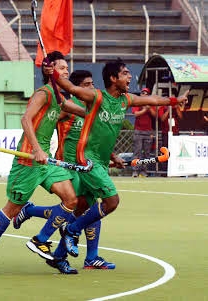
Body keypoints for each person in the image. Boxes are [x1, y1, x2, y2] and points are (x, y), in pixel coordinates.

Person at [46, 58, 188, 258]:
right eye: (125, 73)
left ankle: (59, 257)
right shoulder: (97, 97)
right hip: (87, 159)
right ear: (113, 78)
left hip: (101, 162)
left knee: (82, 207)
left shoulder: (125, 100)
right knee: (112, 201)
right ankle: (71, 230)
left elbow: (152, 100)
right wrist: (51, 72)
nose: (130, 77)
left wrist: (175, 100)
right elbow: (70, 87)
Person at [0, 51, 88, 275]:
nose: (67, 71)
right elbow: (26, 118)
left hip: (46, 163)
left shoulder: (59, 97)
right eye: (62, 68)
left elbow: (83, 111)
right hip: (28, 160)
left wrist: (102, 110)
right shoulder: (43, 93)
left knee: (71, 199)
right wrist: (36, 149)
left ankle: (40, 239)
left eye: (67, 68)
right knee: (11, 209)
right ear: (49, 70)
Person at [13, 70, 117, 274]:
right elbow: (42, 121)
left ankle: (88, 257)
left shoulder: (92, 109)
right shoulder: (68, 108)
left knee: (89, 209)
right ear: (76, 89)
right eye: (86, 85)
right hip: (69, 166)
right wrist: (37, 146)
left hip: (88, 166)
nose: (91, 88)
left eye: (92, 84)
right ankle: (63, 255)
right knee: (75, 210)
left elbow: (96, 139)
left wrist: (113, 157)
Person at [131, 87, 156, 177]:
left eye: (146, 93)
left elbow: (155, 116)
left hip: (148, 131)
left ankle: (144, 171)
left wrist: (149, 108)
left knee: (147, 153)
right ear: (140, 94)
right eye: (143, 93)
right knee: (137, 152)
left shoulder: (150, 104)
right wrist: (145, 109)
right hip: (138, 131)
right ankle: (135, 171)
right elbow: (136, 114)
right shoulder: (137, 103)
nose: (144, 95)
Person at [157, 99, 183, 174]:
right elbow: (162, 119)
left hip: (175, 133)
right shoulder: (162, 107)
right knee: (166, 151)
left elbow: (181, 117)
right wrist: (169, 110)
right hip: (166, 133)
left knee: (175, 151)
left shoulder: (176, 107)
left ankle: (176, 169)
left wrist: (176, 108)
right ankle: (165, 170)